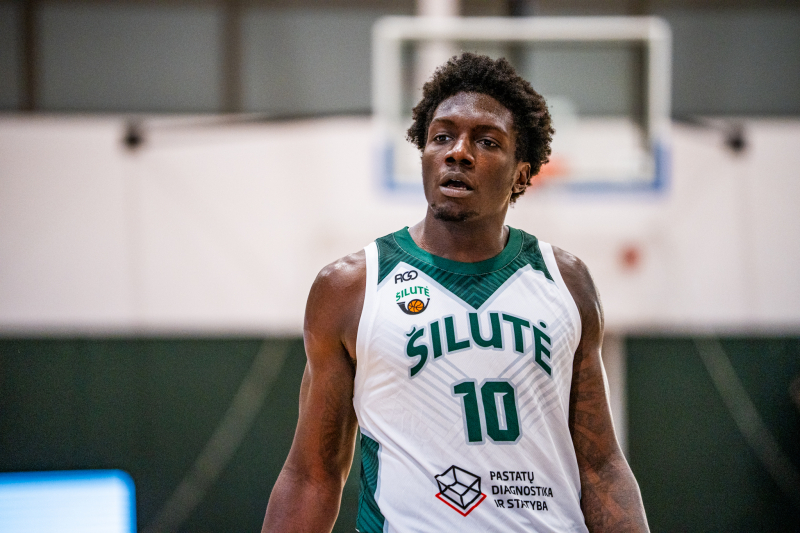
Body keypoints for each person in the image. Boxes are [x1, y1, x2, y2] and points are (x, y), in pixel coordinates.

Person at [262, 53, 649, 532]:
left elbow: (601, 465)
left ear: (522, 174)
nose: (458, 152)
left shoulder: (566, 281)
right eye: (442, 137)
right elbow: (312, 476)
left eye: (486, 141)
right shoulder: (351, 288)